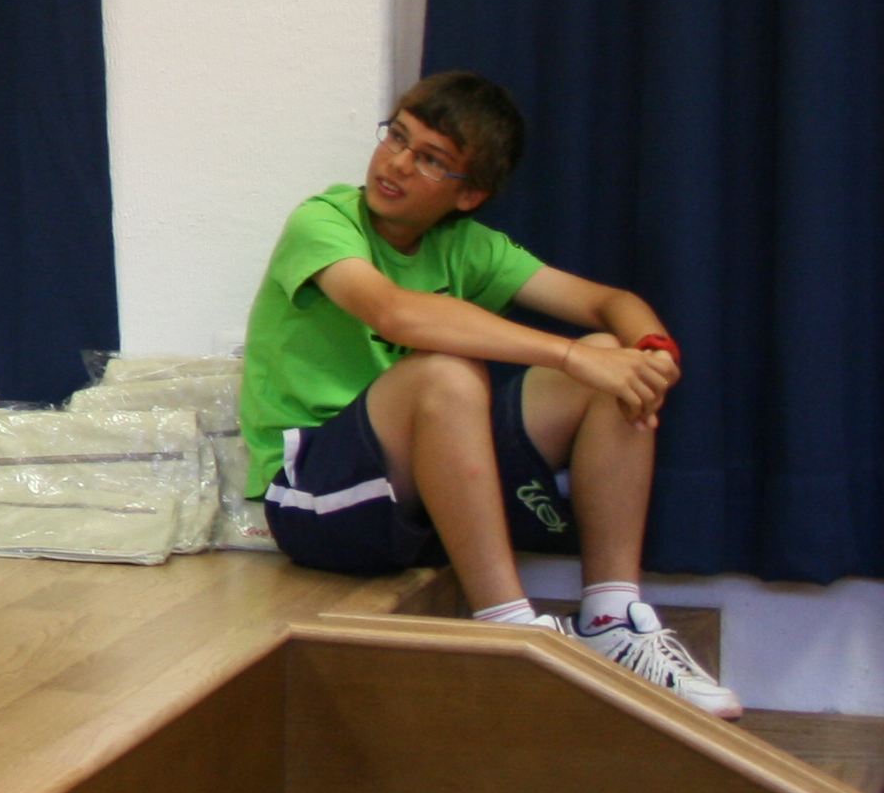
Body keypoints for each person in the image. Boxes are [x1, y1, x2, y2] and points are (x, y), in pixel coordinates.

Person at [245, 72, 740, 716]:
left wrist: (652, 355)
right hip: (314, 502)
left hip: (421, 497)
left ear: (469, 194)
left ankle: (611, 617)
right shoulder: (324, 221)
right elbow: (394, 313)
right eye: (398, 136)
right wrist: (566, 354)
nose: (397, 163)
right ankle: (506, 628)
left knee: (610, 360)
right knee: (448, 372)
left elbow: (609, 302)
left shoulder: (466, 246)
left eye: (431, 159)